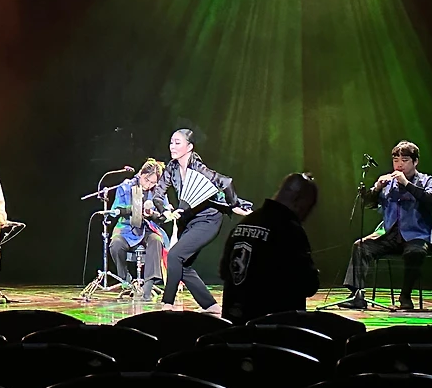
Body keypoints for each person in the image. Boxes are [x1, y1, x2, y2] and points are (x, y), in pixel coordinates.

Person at [145, 128, 250, 313]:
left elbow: (226, 182)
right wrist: (166, 210)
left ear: (189, 147)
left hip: (208, 219)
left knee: (174, 256)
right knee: (182, 265)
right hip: (187, 220)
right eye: (171, 142)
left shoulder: (198, 167)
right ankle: (211, 306)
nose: (172, 146)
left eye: (177, 143)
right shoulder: (172, 168)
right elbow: (158, 194)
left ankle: (167, 304)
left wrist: (233, 204)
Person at [337, 140, 432, 311]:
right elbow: (368, 204)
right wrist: (377, 188)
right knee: (360, 246)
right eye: (396, 160)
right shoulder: (389, 182)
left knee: (415, 253)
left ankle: (405, 296)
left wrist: (407, 184)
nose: (399, 165)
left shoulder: (426, 180)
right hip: (389, 234)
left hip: (417, 235)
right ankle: (357, 295)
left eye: (405, 160)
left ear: (415, 161)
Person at [219, 173, 321, 324]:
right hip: (271, 329)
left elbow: (224, 271)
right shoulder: (290, 229)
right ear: (299, 201)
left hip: (235, 326)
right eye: (309, 207)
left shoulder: (245, 223)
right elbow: (307, 285)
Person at [108, 159, 169, 302]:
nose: (149, 185)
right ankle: (126, 280)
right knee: (115, 245)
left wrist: (153, 214)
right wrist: (135, 209)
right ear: (141, 174)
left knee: (156, 240)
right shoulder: (125, 187)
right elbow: (115, 210)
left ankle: (148, 286)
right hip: (127, 228)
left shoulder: (158, 191)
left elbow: (164, 214)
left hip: (147, 228)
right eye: (147, 180)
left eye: (153, 183)